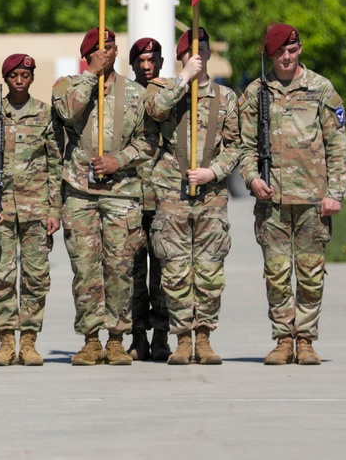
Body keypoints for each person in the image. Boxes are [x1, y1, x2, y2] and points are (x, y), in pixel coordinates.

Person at [238, 24, 346, 365]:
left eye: (291, 50)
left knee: (310, 272)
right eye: (278, 54)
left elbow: (338, 147)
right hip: (271, 200)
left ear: (299, 49)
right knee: (275, 273)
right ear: (270, 56)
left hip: (312, 199)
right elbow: (244, 147)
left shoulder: (320, 89)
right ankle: (283, 339)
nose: (286, 58)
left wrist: (335, 193)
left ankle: (306, 340)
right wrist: (251, 178)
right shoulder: (257, 92)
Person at [52, 27, 156, 366]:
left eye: (111, 47)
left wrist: (119, 160)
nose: (107, 53)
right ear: (88, 55)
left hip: (121, 192)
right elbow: (67, 113)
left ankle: (116, 338)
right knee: (85, 269)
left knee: (120, 268)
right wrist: (91, 75)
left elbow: (147, 142)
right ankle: (90, 340)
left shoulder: (135, 93)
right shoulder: (67, 86)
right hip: (80, 192)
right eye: (100, 49)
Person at [144, 27, 239, 365]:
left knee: (210, 271)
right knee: (176, 271)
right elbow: (154, 109)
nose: (197, 58)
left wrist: (214, 171)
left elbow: (237, 145)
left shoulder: (226, 98)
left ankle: (204, 336)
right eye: (188, 54)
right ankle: (183, 338)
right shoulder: (167, 90)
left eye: (201, 52)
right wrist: (183, 77)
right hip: (172, 195)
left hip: (211, 196)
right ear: (180, 57)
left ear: (210, 54)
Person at [0, 53, 61, 367]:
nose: (20, 80)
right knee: (1, 277)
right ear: (6, 79)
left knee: (36, 278)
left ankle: (30, 342)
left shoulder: (46, 116)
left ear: (32, 78)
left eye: (25, 75)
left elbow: (55, 165)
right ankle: (6, 342)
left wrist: (55, 209)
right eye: (14, 76)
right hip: (1, 210)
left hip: (36, 210)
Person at [126, 37, 171, 362]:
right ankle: (137, 336)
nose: (146, 65)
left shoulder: (170, 93)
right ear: (132, 64)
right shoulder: (121, 97)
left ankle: (162, 337)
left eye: (151, 59)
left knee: (163, 275)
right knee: (132, 275)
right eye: (140, 60)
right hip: (128, 197)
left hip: (163, 197)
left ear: (160, 62)